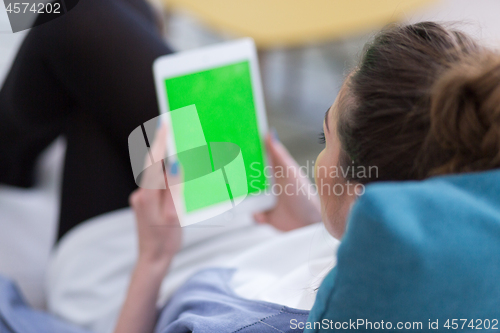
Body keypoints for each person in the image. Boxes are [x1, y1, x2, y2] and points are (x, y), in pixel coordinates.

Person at [106, 21, 500, 332]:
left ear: (360, 193)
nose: (319, 161)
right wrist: (318, 222)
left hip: (145, 274)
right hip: (264, 241)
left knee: (84, 29)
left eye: (323, 138)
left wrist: (152, 260)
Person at [0, 0, 173, 240]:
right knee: (130, 7)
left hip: (236, 166)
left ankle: (8, 160)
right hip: (230, 126)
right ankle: (9, 161)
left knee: (71, 13)